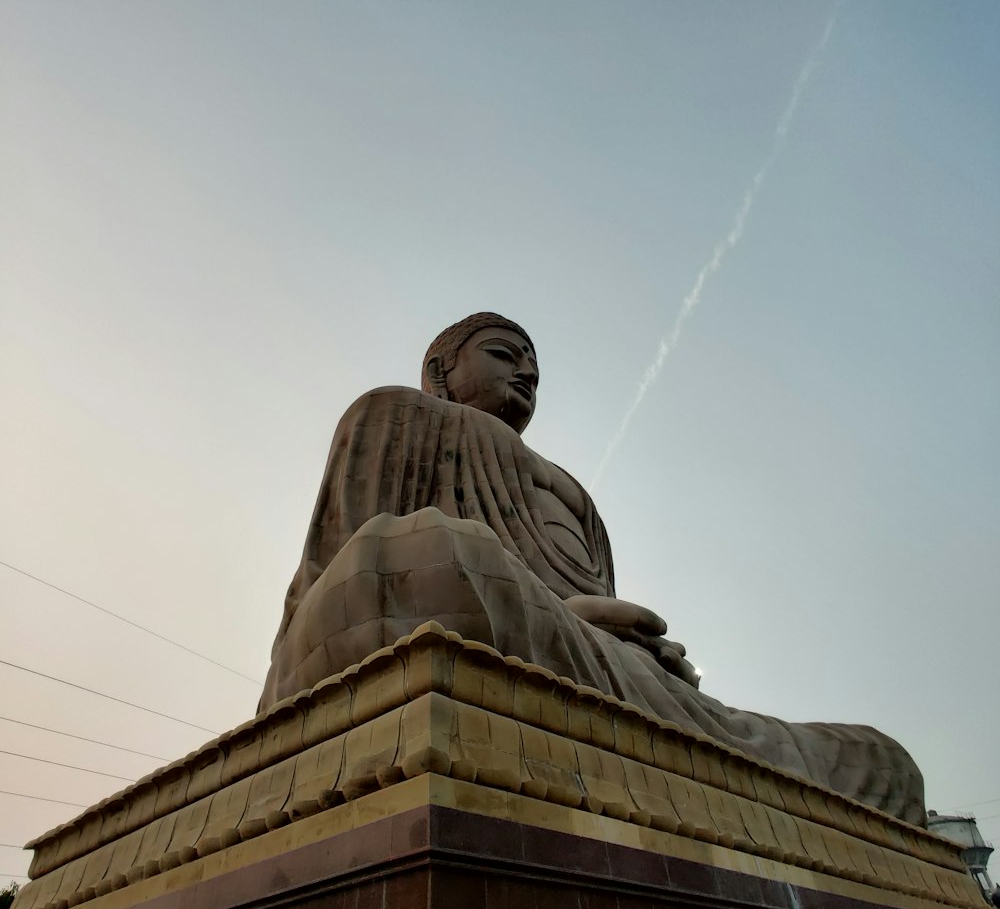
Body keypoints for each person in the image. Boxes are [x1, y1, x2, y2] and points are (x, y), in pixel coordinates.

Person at [260, 312, 925, 824]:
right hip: (491, 626)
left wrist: (636, 650)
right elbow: (347, 572)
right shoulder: (397, 414)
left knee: (880, 763)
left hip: (595, 669)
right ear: (439, 368)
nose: (525, 373)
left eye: (535, 369)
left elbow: (595, 620)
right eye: (503, 354)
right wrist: (554, 615)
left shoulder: (572, 490)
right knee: (430, 553)